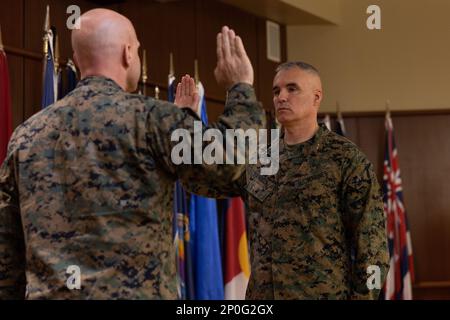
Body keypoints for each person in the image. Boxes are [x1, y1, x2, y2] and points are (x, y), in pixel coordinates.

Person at [0, 9, 265, 299]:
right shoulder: (152, 120)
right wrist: (240, 87)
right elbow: (231, 161)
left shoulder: (25, 136)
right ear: (128, 53)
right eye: (137, 49)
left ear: (77, 60)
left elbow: (7, 251)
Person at [177, 61, 390, 300]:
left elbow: (372, 249)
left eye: (292, 89)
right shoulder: (258, 158)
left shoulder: (346, 160)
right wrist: (186, 122)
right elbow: (201, 180)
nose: (281, 97)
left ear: (316, 97)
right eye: (276, 91)